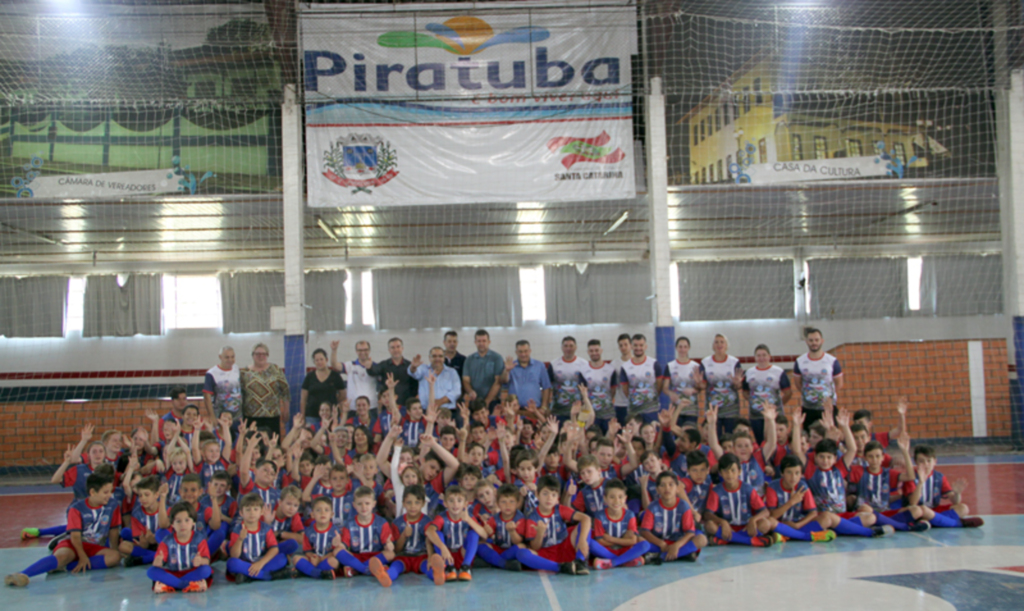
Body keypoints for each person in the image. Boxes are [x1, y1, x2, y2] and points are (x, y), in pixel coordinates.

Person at [6, 473, 123, 587]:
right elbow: (75, 537)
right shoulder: (77, 509)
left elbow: (113, 530)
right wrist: (82, 555)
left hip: (94, 546)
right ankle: (23, 574)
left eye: (110, 491)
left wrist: (115, 550)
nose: (109, 495)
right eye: (105, 492)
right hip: (73, 544)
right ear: (92, 492)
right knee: (62, 556)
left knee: (114, 557)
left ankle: (64, 566)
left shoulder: (113, 505)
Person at [515, 475, 592, 575]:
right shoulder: (532, 517)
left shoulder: (559, 509)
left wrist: (582, 541)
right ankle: (561, 567)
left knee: (584, 528)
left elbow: (586, 519)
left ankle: (580, 562)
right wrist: (540, 533)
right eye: (545, 494)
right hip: (546, 554)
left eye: (553, 495)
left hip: (564, 548)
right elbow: (535, 547)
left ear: (557, 499)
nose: (549, 498)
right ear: (537, 494)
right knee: (522, 554)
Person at [337, 486, 403, 587]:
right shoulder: (349, 524)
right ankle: (368, 570)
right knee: (337, 551)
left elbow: (388, 545)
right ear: (354, 505)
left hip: (376, 556)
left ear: (374, 504)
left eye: (367, 503)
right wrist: (340, 545)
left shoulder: (382, 522)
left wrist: (389, 546)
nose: (363, 507)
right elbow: (345, 546)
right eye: (359, 504)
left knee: (390, 554)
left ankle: (356, 570)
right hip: (357, 557)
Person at [425, 486, 489, 583]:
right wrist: (443, 548)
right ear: (445, 503)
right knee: (437, 533)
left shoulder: (469, 517)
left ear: (465, 504)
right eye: (451, 501)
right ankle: (448, 568)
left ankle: (466, 567)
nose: (455, 504)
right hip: (446, 555)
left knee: (473, 533)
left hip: (462, 554)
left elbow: (484, 535)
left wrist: (468, 520)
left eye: (459, 501)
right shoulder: (442, 517)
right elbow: (429, 531)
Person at [640, 472, 707, 561]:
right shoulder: (652, 507)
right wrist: (661, 543)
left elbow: (690, 532)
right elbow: (645, 531)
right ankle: (683, 554)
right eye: (662, 485)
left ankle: (661, 557)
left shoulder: (684, 506)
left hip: (680, 542)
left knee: (702, 539)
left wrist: (676, 545)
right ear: (657, 490)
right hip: (660, 543)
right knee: (638, 540)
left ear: (677, 488)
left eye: (671, 484)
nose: (667, 488)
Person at [147, 502, 213, 593]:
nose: (183, 524)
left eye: (187, 520)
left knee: (206, 570)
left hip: (191, 572)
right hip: (172, 573)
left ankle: (172, 585)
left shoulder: (199, 539)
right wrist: (158, 561)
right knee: (151, 571)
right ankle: (187, 585)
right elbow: (157, 563)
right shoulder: (167, 541)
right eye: (178, 521)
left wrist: (200, 560)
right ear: (172, 524)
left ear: (193, 522)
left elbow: (207, 561)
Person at [591, 478, 656, 569]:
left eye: (620, 497)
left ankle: (612, 563)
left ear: (625, 498)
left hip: (626, 549)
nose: (616, 501)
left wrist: (611, 539)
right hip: (608, 550)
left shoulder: (630, 515)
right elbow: (600, 541)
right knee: (591, 544)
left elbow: (633, 541)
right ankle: (626, 560)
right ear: (605, 498)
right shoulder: (599, 516)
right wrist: (623, 541)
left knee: (645, 545)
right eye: (612, 497)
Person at [227, 493, 288, 583]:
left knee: (282, 558)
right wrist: (240, 539)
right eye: (248, 510)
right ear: (241, 513)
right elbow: (234, 555)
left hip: (262, 562)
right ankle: (266, 576)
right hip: (246, 563)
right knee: (231, 563)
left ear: (261, 512)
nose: (252, 513)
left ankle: (248, 576)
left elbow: (274, 549)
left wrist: (260, 563)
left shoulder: (265, 528)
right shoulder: (237, 530)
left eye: (255, 509)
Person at [791, 328, 843, 429]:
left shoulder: (832, 361)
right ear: (806, 342)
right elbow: (798, 384)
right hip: (808, 408)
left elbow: (839, 383)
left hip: (827, 408)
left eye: (816, 340)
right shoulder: (800, 361)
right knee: (810, 437)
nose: (814, 343)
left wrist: (829, 398)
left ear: (822, 341)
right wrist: (810, 396)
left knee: (831, 436)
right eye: (811, 340)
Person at [741, 344, 791, 445]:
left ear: (769, 356)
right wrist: (755, 402)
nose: (761, 358)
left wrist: (777, 405)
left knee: (776, 442)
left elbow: (788, 392)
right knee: (761, 443)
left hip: (774, 416)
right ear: (755, 357)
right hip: (756, 416)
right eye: (758, 355)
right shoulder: (749, 373)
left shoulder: (778, 372)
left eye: (764, 355)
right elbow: (745, 392)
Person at [240, 343, 290, 437]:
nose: (261, 356)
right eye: (257, 354)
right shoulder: (244, 372)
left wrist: (286, 410)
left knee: (272, 445)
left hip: (271, 416)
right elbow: (240, 394)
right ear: (252, 355)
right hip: (251, 417)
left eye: (263, 354)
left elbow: (285, 391)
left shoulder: (275, 369)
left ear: (267, 355)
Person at [701, 334, 743, 436]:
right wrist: (698, 383)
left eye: (722, 342)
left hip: (731, 409)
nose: (719, 344)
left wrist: (738, 383)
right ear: (713, 346)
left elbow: (739, 387)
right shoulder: (705, 362)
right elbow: (702, 386)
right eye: (716, 342)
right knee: (715, 437)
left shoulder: (734, 362)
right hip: (713, 409)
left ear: (726, 345)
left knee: (731, 437)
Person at [618, 334, 666, 423]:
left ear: (645, 346)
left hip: (651, 410)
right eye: (636, 345)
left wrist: (650, 399)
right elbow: (625, 391)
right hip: (634, 410)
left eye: (641, 345)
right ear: (632, 346)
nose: (638, 348)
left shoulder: (654, 364)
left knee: (651, 434)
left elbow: (659, 386)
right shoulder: (625, 367)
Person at [292, 496, 343, 579]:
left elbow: (335, 552)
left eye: (326, 510)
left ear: (331, 514)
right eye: (318, 510)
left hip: (326, 559)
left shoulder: (335, 532)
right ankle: (319, 573)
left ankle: (307, 572)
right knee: (296, 558)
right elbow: (307, 550)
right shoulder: (308, 531)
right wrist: (313, 557)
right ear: (312, 514)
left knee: (334, 562)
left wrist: (320, 559)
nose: (322, 513)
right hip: (313, 560)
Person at [663, 336, 705, 427]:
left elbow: (702, 387)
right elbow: (665, 388)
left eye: (685, 347)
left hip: (691, 408)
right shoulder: (670, 366)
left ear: (689, 348)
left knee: (689, 434)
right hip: (676, 408)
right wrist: (671, 394)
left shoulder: (696, 366)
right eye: (680, 347)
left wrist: (694, 389)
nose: (683, 349)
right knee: (676, 434)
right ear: (676, 348)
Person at [331, 340, 381, 415]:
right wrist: (334, 350)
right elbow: (335, 365)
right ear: (356, 351)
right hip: (353, 407)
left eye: (365, 350)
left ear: (369, 351)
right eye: (360, 350)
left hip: (371, 407)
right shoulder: (350, 365)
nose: (363, 352)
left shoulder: (376, 366)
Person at [580, 339, 618, 433]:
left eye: (596, 350)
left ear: (601, 350)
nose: (594, 353)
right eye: (591, 351)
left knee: (609, 439)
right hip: (590, 414)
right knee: (590, 439)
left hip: (608, 413)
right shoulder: (583, 371)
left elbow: (613, 391)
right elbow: (583, 394)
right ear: (588, 352)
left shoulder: (610, 369)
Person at [547, 336, 590, 421]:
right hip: (559, 409)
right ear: (562, 347)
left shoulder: (584, 364)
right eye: (566, 346)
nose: (568, 348)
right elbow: (547, 386)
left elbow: (588, 386)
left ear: (576, 347)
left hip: (579, 408)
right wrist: (547, 404)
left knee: (579, 432)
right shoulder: (554, 364)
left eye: (571, 346)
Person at [300, 348, 346, 427]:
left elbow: (343, 395)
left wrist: (333, 401)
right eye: (317, 360)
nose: (319, 362)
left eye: (321, 359)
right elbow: (303, 399)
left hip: (331, 415)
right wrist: (302, 417)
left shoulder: (335, 376)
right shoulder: (309, 377)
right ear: (314, 362)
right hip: (312, 415)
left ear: (326, 359)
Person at [503, 340, 551, 411]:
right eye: (520, 352)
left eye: (525, 351)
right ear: (516, 352)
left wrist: (544, 407)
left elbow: (546, 387)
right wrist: (507, 371)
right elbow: (504, 381)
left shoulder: (539, 366)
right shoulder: (511, 366)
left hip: (534, 410)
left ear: (530, 351)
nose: (523, 354)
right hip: (514, 410)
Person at [409, 347, 461, 412]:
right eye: (434, 356)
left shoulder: (452, 372)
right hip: (426, 410)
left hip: (447, 411)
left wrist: (440, 402)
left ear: (444, 358)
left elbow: (456, 392)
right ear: (429, 357)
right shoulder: (423, 369)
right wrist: (413, 367)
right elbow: (413, 373)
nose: (437, 359)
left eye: (440, 356)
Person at [462, 329, 505, 406]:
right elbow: (465, 381)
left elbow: (498, 382)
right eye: (479, 341)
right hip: (475, 402)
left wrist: (486, 402)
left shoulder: (497, 358)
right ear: (475, 342)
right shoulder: (469, 359)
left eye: (484, 341)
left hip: (492, 402)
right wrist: (470, 391)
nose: (481, 343)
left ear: (489, 342)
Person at [372, 337, 416, 409]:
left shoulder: (410, 366)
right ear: (389, 350)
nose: (396, 350)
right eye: (393, 347)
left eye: (398, 347)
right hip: (388, 406)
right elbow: (373, 371)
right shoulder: (383, 365)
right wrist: (368, 367)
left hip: (406, 405)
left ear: (402, 348)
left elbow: (415, 385)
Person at [203, 346, 242, 424]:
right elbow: (207, 397)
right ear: (220, 357)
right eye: (227, 357)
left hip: (237, 417)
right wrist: (212, 416)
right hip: (220, 417)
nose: (230, 360)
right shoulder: (212, 373)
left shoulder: (237, 369)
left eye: (232, 357)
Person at [610, 333, 633, 425]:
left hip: (636, 404)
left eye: (626, 344)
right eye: (621, 345)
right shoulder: (614, 364)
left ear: (630, 345)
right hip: (620, 403)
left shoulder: (636, 362)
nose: (623, 347)